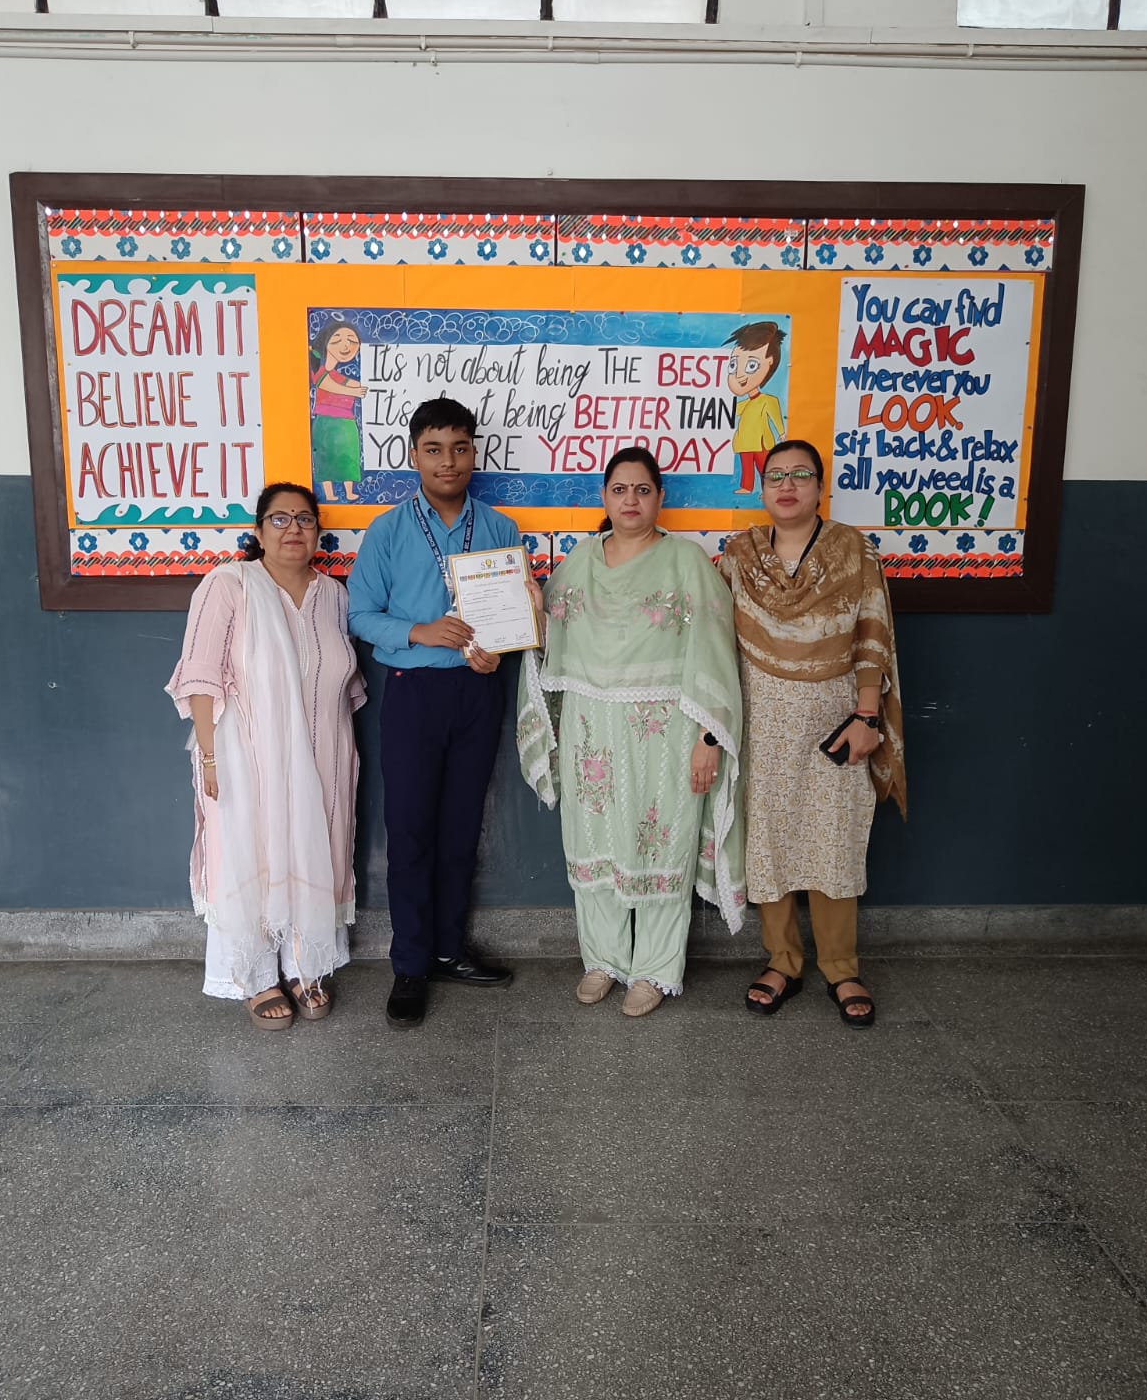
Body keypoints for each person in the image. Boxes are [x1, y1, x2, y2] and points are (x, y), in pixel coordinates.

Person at [517, 449, 745, 1016]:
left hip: (665, 731)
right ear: (604, 497)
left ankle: (656, 970)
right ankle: (602, 960)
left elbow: (717, 654)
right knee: (593, 839)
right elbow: (549, 638)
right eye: (619, 490)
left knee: (662, 838)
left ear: (660, 497)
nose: (631, 501)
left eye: (643, 490)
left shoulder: (687, 562)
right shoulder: (579, 561)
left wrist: (708, 739)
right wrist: (527, 610)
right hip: (591, 729)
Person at [347, 397, 536, 1029]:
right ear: (414, 455)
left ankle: (450, 950)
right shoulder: (388, 531)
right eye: (434, 449)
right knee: (410, 832)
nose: (447, 461)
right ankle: (410, 964)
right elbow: (360, 614)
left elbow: (515, 615)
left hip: (478, 692)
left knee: (460, 829)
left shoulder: (501, 529)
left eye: (459, 448)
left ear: (474, 452)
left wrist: (501, 648)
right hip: (413, 692)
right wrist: (419, 631)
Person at [719, 440, 906, 1029]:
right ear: (761, 488)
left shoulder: (854, 550)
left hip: (837, 720)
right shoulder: (739, 555)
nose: (787, 485)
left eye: (801, 474)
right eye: (775, 475)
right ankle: (782, 961)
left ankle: (841, 967)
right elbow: (710, 635)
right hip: (762, 722)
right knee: (767, 841)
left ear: (820, 488)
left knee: (833, 841)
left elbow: (873, 632)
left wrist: (868, 716)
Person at [166, 482, 365, 1030]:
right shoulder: (229, 585)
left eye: (305, 519)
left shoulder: (334, 595)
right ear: (258, 530)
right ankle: (255, 975)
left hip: (324, 751)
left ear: (318, 532)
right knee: (251, 852)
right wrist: (210, 759)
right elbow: (200, 677)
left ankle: (304, 965)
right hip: (246, 755)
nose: (293, 529)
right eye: (280, 519)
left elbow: (344, 680)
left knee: (316, 847)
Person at [726, 320, 786, 495]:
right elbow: (726, 412)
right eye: (733, 365)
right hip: (744, 442)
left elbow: (776, 416)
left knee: (764, 466)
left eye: (751, 366)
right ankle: (747, 486)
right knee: (746, 465)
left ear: (770, 362)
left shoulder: (768, 400)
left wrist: (781, 432)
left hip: (761, 443)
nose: (740, 375)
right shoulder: (744, 404)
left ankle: (769, 488)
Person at [310, 319, 368, 485]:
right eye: (337, 340)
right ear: (326, 342)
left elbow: (352, 384)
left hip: (347, 421)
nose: (346, 346)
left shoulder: (338, 376)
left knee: (349, 456)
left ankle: (349, 490)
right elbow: (325, 383)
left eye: (352, 341)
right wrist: (353, 391)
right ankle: (329, 492)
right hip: (326, 422)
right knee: (326, 460)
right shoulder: (318, 369)